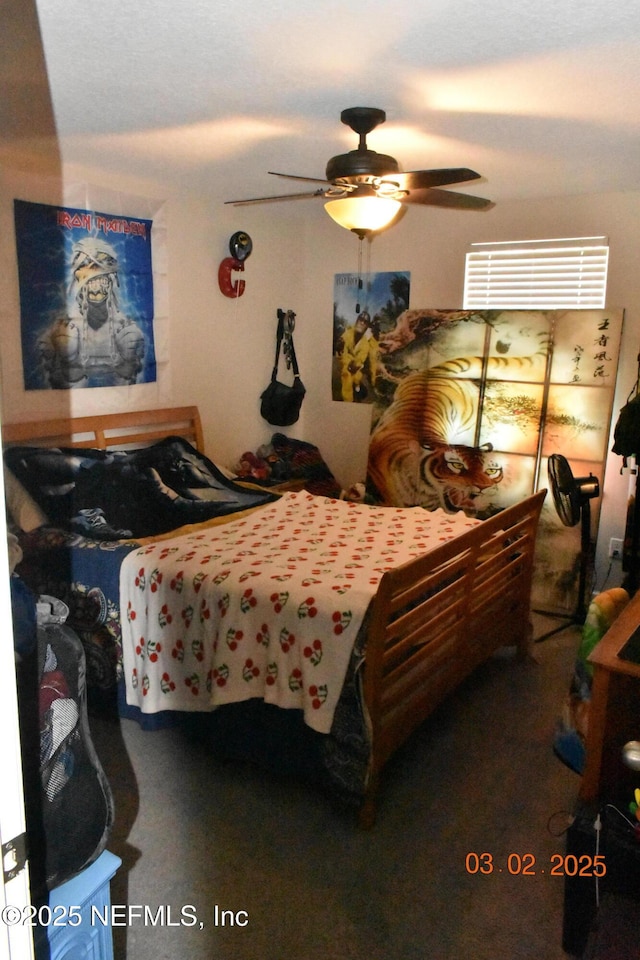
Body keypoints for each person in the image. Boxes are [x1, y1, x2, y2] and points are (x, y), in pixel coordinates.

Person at [339, 311, 378, 402]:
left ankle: (357, 385)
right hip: (347, 361)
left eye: (365, 322)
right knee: (347, 374)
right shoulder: (347, 334)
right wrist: (347, 362)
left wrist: (373, 380)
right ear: (356, 321)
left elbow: (364, 359)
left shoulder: (366, 343)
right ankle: (347, 401)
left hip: (357, 365)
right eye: (360, 319)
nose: (362, 323)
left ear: (367, 327)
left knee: (357, 376)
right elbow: (341, 353)